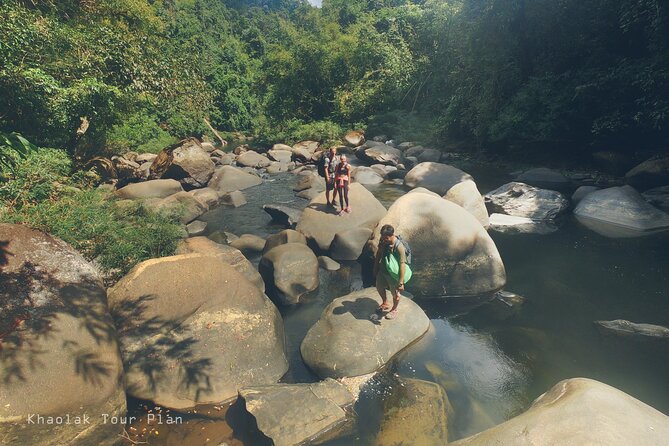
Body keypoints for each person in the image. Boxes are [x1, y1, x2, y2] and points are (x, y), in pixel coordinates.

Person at [373, 224, 411, 320]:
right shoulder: (383, 241)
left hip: (395, 275)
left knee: (396, 295)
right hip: (383, 271)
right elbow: (378, 254)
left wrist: (401, 282)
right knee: (379, 286)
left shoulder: (399, 247)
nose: (385, 239)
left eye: (387, 237)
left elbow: (403, 264)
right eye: (383, 237)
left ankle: (394, 309)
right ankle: (385, 302)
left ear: (392, 235)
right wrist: (375, 267)